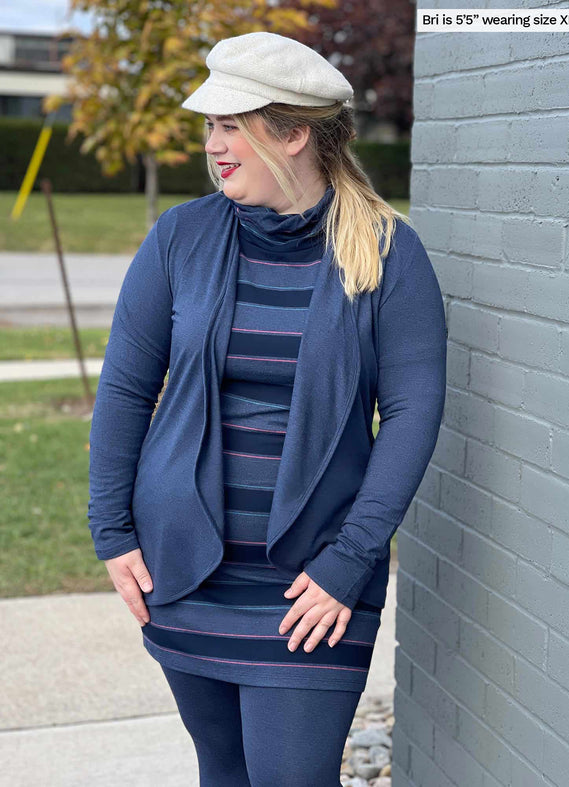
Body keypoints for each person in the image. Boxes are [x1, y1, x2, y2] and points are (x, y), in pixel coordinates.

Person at [87, 31, 447, 786]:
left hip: (312, 590)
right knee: (223, 768)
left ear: (292, 134)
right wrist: (112, 530)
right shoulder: (181, 237)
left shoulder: (386, 251)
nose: (213, 145)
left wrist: (348, 562)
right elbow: (125, 386)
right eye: (211, 126)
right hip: (185, 576)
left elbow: (412, 414)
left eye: (231, 126)